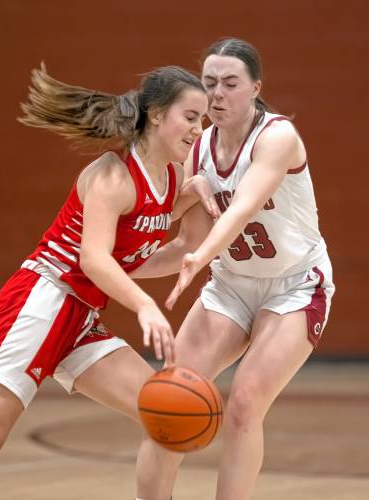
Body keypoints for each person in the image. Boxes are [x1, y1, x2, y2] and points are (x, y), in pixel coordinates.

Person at [0, 63, 218, 479]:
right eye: (190, 117)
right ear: (157, 114)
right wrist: (144, 307)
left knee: (168, 413)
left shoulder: (172, 176)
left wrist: (197, 195)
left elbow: (162, 249)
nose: (198, 129)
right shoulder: (113, 175)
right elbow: (95, 260)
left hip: (79, 317)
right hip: (40, 302)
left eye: (202, 120)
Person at [133, 38, 335, 500]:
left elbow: (241, 208)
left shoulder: (278, 137)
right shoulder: (197, 149)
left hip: (294, 287)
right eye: (208, 85)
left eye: (229, 83)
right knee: (168, 403)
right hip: (230, 285)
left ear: (255, 87)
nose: (217, 95)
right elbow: (185, 243)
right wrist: (117, 269)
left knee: (245, 402)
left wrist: (199, 259)